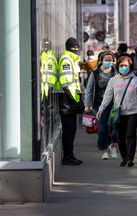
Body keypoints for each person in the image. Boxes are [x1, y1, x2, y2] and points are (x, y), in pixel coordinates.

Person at [96, 56, 137, 167]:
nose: (123, 67)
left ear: (130, 67)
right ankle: (124, 157)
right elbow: (107, 96)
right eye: (121, 65)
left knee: (130, 134)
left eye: (126, 65)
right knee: (120, 136)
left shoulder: (136, 80)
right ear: (117, 66)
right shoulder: (113, 80)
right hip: (119, 113)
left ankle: (130, 158)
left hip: (133, 112)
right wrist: (101, 109)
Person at [84, 51, 118, 160]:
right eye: (106, 60)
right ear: (101, 61)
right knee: (102, 128)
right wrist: (87, 104)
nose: (109, 62)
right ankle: (104, 150)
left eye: (111, 60)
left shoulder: (116, 72)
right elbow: (89, 89)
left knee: (115, 127)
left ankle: (113, 145)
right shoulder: (95, 72)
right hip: (98, 104)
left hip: (113, 104)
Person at [58, 37, 84, 165]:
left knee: (71, 130)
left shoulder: (72, 60)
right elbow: (66, 83)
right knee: (69, 130)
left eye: (77, 47)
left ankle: (70, 155)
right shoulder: (66, 60)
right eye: (73, 47)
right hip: (67, 102)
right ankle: (67, 157)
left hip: (70, 102)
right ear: (68, 47)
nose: (76, 50)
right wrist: (75, 100)